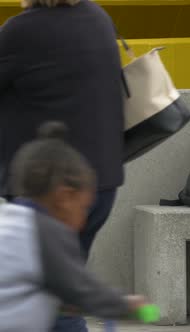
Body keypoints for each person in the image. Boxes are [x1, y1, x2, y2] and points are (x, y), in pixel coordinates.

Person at [0, 1, 125, 330]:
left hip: (50, 193)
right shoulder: (97, 17)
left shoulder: (20, 31)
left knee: (51, 298)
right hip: (100, 184)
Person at [0, 122, 147, 332]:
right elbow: (83, 289)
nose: (84, 218)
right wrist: (126, 304)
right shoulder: (47, 233)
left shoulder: (8, 220)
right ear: (64, 197)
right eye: (84, 207)